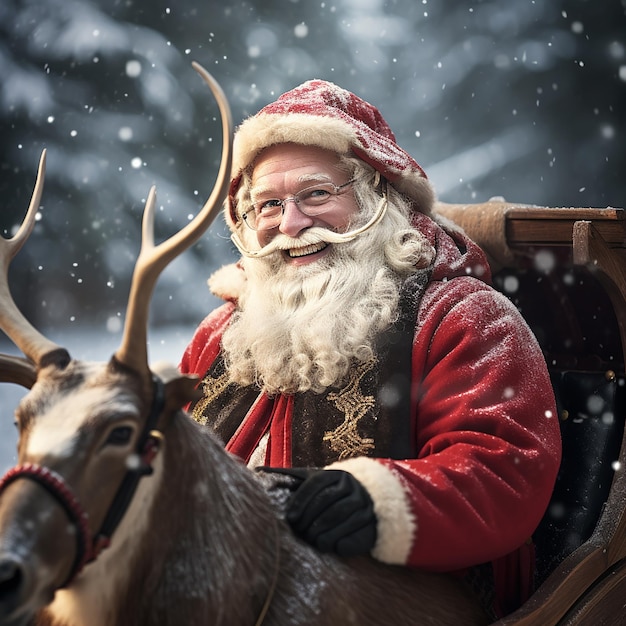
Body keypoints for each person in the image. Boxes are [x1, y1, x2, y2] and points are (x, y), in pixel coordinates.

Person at [180, 79, 562, 620]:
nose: (290, 225)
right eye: (268, 205)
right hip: (221, 591)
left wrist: (378, 502)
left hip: (398, 601)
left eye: (316, 194)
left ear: (378, 198)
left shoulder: (463, 317)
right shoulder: (222, 330)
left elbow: (503, 469)